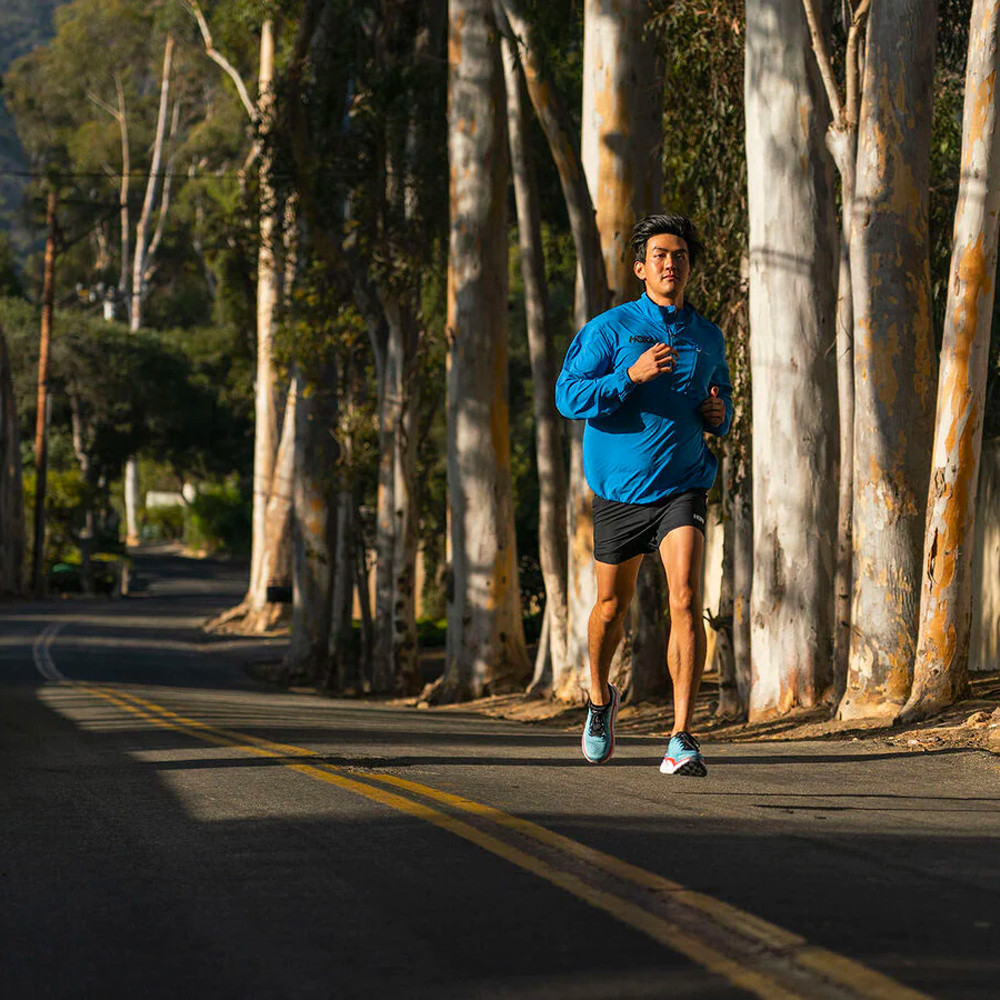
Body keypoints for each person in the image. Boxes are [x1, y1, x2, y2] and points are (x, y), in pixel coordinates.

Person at [555, 214, 732, 776]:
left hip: (683, 485)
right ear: (640, 267)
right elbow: (567, 395)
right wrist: (627, 377)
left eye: (679, 255)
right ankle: (600, 700)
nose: (670, 263)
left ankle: (681, 736)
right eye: (659, 255)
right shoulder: (609, 330)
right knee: (612, 607)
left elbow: (719, 398)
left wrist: (719, 414)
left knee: (684, 597)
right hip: (619, 493)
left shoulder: (707, 335)